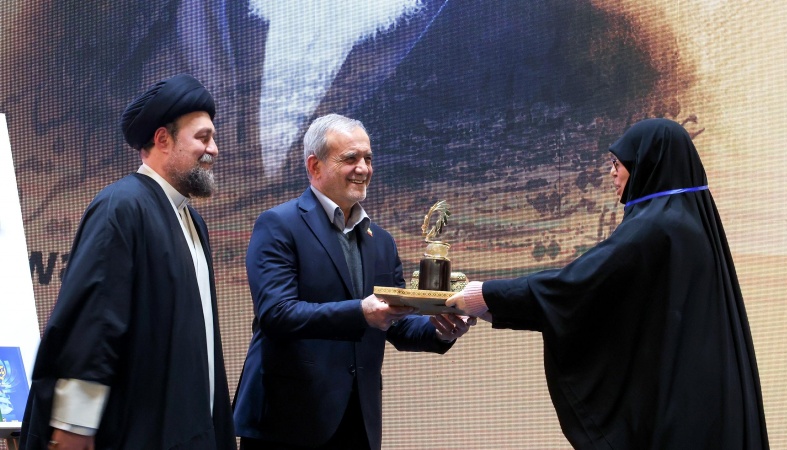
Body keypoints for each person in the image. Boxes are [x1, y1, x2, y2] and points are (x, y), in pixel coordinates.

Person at [447, 118, 769, 449]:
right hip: (705, 400)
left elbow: (577, 288)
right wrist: (492, 305)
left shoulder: (655, 227)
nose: (611, 173)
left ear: (646, 162)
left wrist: (484, 296)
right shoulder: (687, 221)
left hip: (680, 415)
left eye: (618, 163)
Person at [20, 74, 237, 450]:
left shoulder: (192, 221)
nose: (213, 149)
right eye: (203, 138)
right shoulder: (121, 206)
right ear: (163, 139)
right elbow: (93, 322)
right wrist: (74, 425)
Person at [233, 113, 474, 449]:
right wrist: (360, 312)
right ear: (315, 166)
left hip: (358, 421)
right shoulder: (278, 225)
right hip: (287, 421)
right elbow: (277, 314)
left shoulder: (382, 241)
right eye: (350, 158)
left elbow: (397, 323)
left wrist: (441, 328)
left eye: (368, 158)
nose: (363, 168)